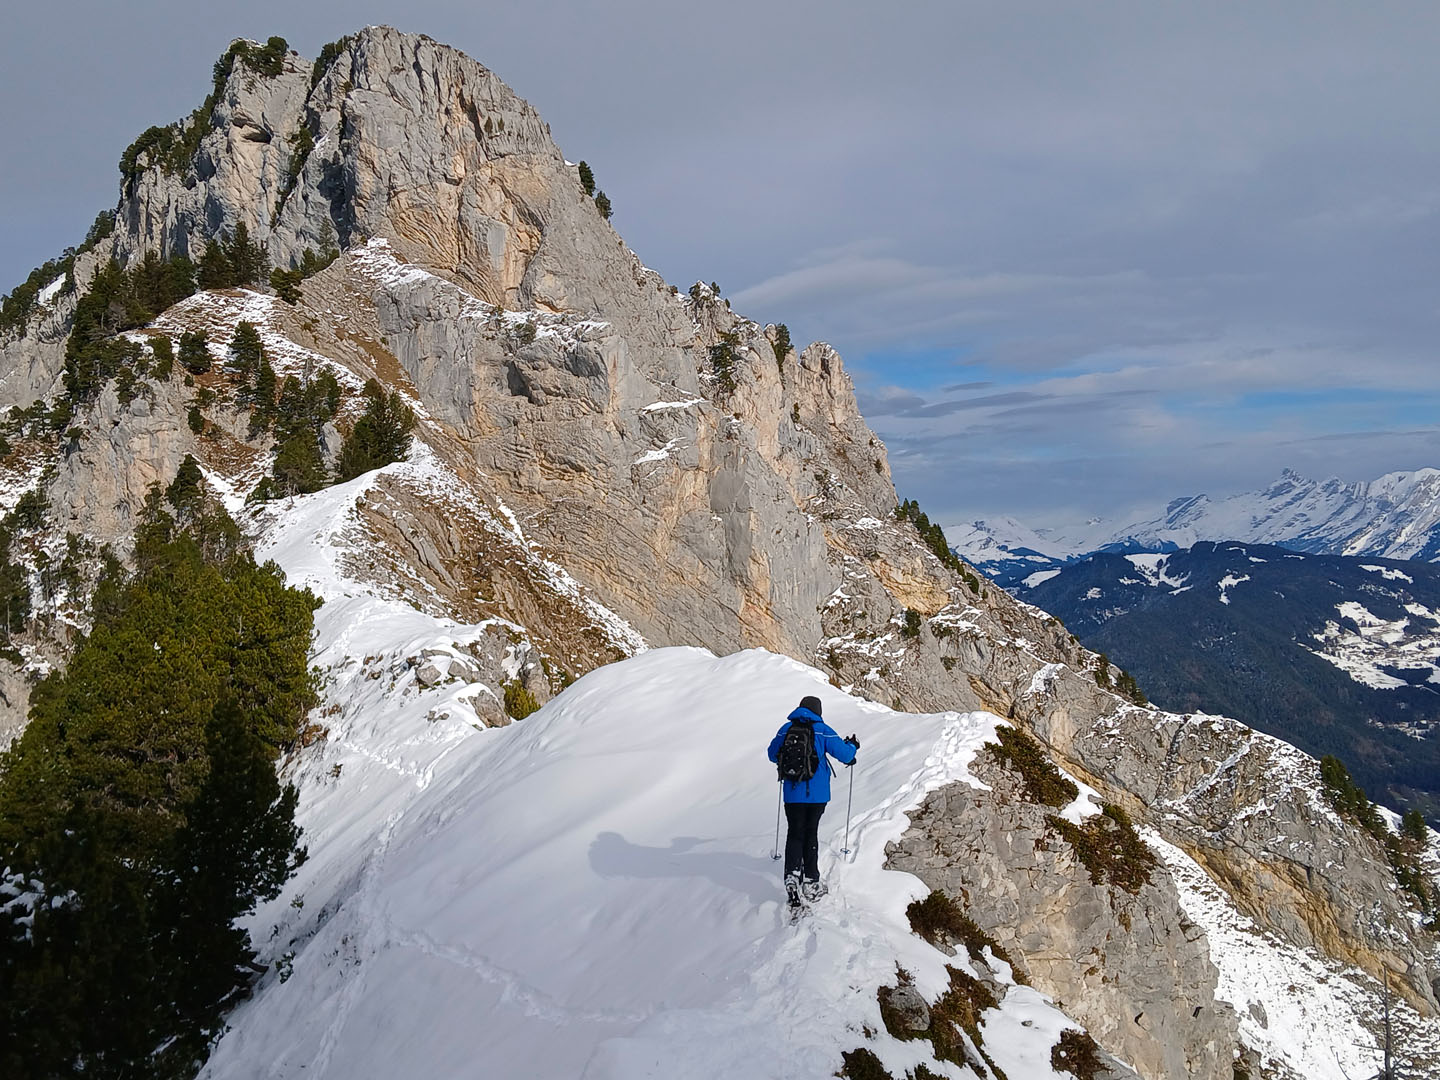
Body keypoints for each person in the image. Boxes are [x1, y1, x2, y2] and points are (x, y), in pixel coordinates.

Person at [767, 694, 858, 907]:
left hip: (792, 792)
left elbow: (772, 754)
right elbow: (845, 755)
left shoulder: (786, 729)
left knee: (795, 832)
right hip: (817, 795)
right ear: (819, 711)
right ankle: (811, 880)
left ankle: (791, 874)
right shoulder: (822, 729)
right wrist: (853, 746)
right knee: (811, 833)